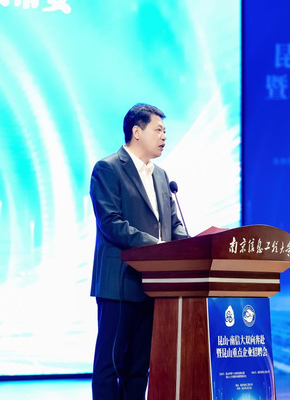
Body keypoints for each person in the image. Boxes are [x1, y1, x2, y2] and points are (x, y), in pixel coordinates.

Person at [89, 103, 189, 399]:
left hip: (154, 286)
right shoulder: (108, 169)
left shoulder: (161, 176)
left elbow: (173, 225)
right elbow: (111, 223)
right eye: (158, 130)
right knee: (110, 365)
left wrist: (192, 247)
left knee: (138, 367)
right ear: (136, 132)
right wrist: (157, 247)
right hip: (119, 283)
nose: (164, 136)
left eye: (165, 131)